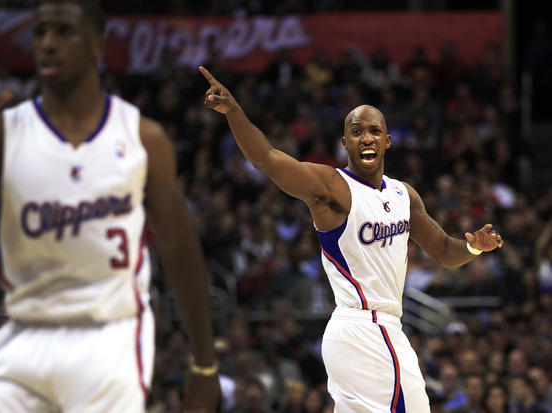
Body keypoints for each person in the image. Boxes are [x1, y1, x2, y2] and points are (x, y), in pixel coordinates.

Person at [0, 1, 220, 411]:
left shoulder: (142, 136)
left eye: (64, 32)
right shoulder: (2, 133)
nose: (49, 43)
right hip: (24, 335)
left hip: (109, 338)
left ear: (98, 44)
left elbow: (180, 250)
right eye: (41, 32)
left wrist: (204, 363)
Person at [199, 66, 503, 412]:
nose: (367, 138)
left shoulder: (405, 195)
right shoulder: (332, 187)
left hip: (376, 330)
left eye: (375, 131)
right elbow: (268, 159)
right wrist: (235, 113)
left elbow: (445, 252)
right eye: (356, 132)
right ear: (345, 143)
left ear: (388, 141)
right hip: (364, 327)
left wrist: (475, 245)